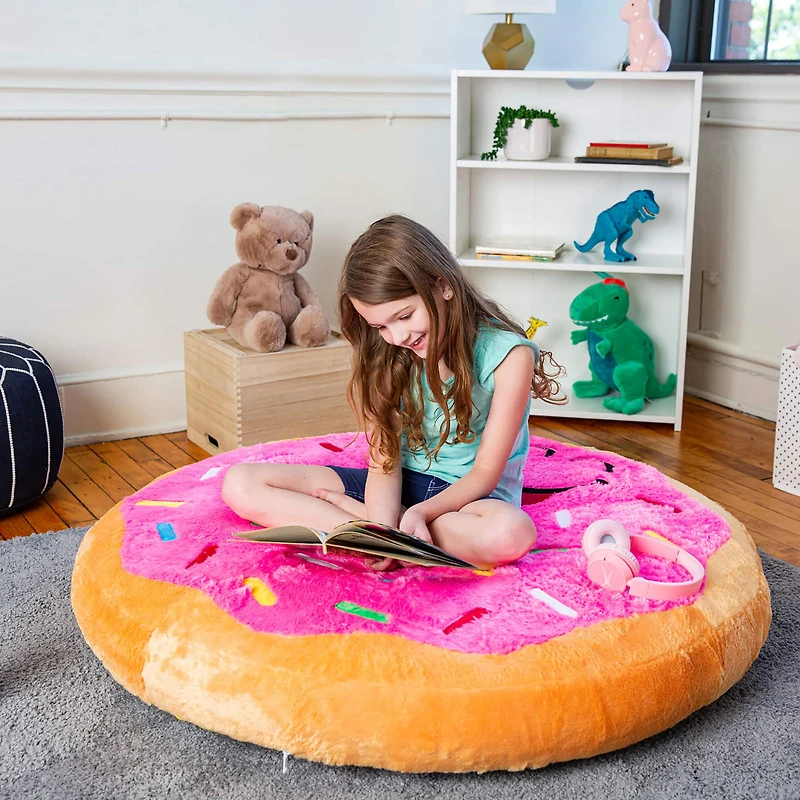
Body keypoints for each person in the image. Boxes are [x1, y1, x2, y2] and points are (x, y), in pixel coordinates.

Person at [222, 215, 564, 569]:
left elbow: (484, 475)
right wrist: (385, 526)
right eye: (380, 326)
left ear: (443, 286)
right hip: (397, 486)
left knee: (511, 534)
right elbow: (384, 464)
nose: (398, 336)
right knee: (240, 483)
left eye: (404, 316)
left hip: (469, 502)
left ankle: (367, 527)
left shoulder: (509, 357)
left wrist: (418, 512)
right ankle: (386, 535)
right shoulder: (389, 353)